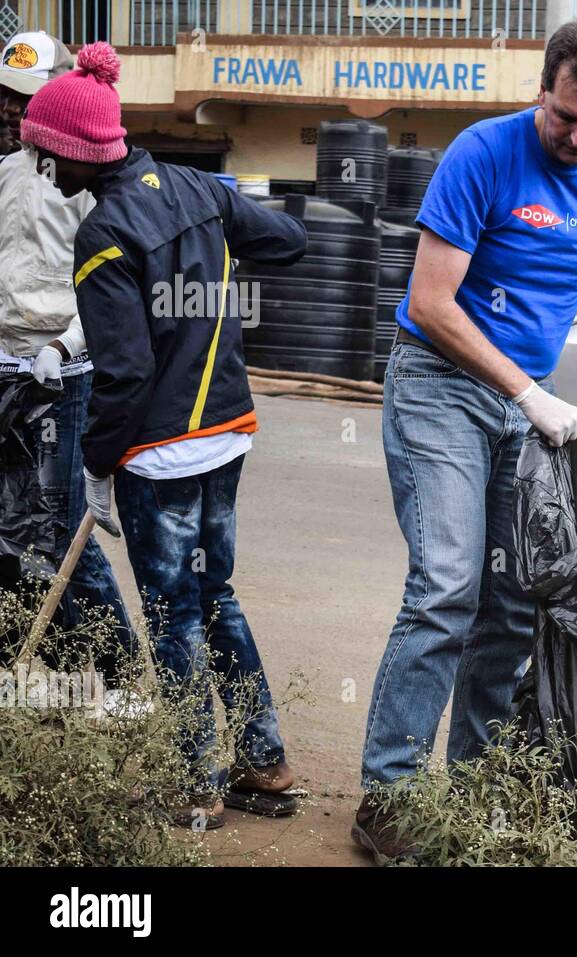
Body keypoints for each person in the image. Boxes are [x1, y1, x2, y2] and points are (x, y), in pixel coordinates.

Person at [355, 20, 577, 864]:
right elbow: (430, 301)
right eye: (566, 116)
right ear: (543, 92)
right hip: (440, 384)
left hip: (524, 405)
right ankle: (389, 796)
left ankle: (476, 790)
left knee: (511, 599)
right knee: (447, 585)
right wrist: (527, 390)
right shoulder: (481, 154)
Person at [22, 41, 310, 828]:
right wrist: (212, 224)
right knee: (214, 594)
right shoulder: (193, 188)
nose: (47, 173)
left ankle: (197, 785)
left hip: (162, 451)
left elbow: (124, 374)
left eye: (50, 157)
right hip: (229, 432)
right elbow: (290, 241)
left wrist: (97, 466)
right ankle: (266, 761)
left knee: (175, 612)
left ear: (81, 153)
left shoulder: (104, 236)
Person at [0, 31, 135, 686]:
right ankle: (38, 669)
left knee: (58, 526)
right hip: (3, 367)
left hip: (63, 372)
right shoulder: (1, 177)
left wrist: (63, 345)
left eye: (22, 99)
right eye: (5, 97)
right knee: (8, 528)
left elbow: (106, 286)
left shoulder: (84, 183)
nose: (10, 110)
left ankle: (117, 668)